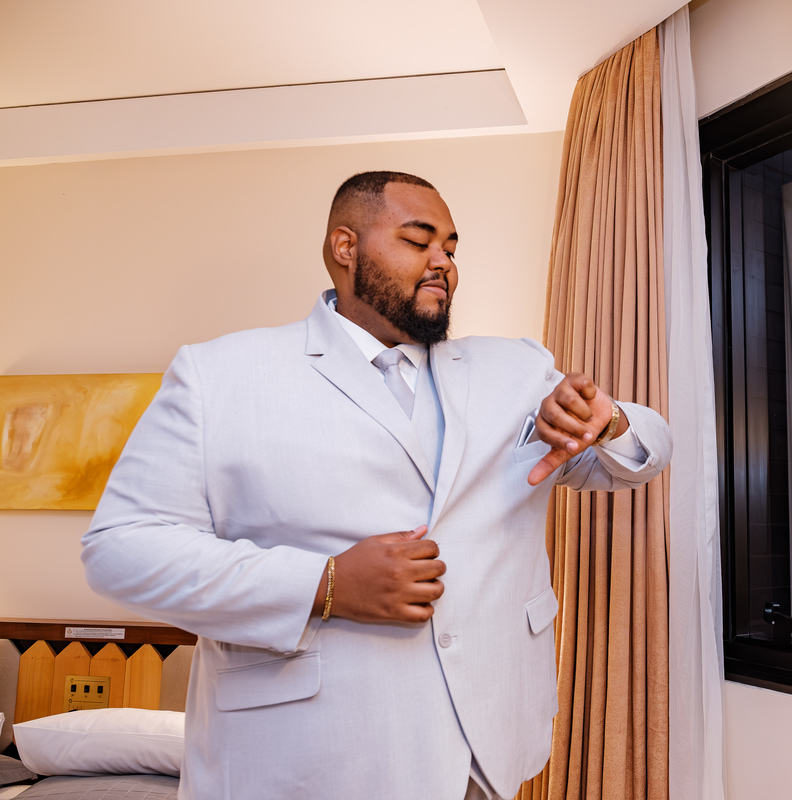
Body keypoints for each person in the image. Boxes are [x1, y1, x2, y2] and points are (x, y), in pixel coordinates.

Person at [81, 171, 672, 800]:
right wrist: (325, 584)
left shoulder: (517, 369)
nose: (442, 261)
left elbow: (645, 452)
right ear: (345, 247)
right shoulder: (221, 375)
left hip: (487, 752)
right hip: (305, 761)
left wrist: (607, 421)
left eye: (450, 247)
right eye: (419, 241)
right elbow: (121, 549)